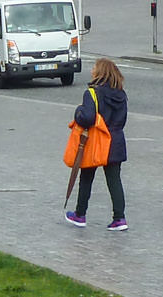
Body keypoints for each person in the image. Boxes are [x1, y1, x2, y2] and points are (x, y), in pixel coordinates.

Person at [65, 57, 131, 231]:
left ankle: (80, 214)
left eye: (94, 67)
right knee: (114, 180)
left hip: (96, 141)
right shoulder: (121, 94)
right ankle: (119, 218)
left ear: (100, 72)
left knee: (86, 177)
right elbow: (123, 119)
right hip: (116, 140)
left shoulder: (92, 93)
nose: (92, 70)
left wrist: (78, 111)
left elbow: (87, 118)